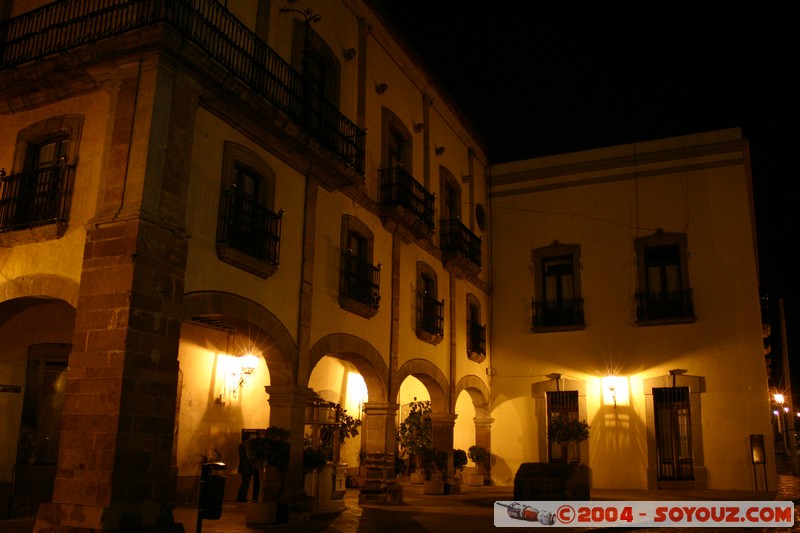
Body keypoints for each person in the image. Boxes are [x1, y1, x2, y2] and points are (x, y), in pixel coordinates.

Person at [236, 434, 260, 502]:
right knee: (245, 483)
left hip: (244, 467)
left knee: (245, 483)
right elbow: (248, 458)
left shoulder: (242, 445)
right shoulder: (245, 446)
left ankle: (241, 497)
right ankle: (242, 498)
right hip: (246, 468)